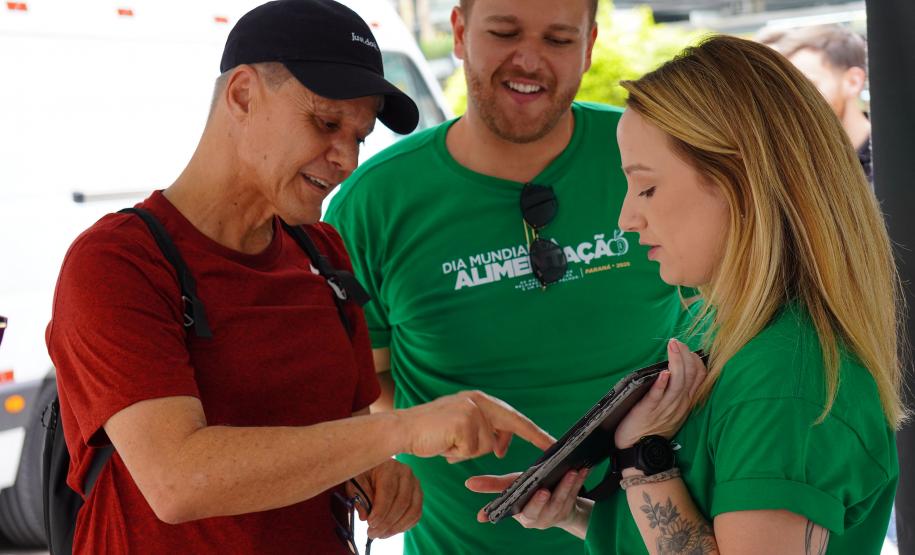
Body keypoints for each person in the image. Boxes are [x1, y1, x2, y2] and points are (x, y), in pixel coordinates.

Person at [45, 1, 555, 553]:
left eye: (359, 137)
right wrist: (401, 430)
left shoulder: (322, 251)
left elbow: (345, 437)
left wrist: (379, 473)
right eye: (327, 123)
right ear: (243, 95)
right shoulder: (118, 261)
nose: (347, 160)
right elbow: (176, 481)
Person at [469, 34, 903, 554]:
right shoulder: (751, 339)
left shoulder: (784, 378)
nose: (627, 218)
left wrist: (644, 458)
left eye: (647, 187)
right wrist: (579, 514)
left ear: (742, 182)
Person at [323, 0, 686, 553]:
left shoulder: (647, 157)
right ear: (460, 31)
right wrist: (421, 430)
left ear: (589, 46)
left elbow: (729, 331)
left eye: (558, 40)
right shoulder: (374, 202)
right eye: (504, 32)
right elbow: (362, 385)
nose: (529, 60)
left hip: (654, 537)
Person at [757, 25, 873, 182]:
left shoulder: (898, 158)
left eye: (808, 87)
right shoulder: (794, 169)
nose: (791, 101)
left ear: (853, 82)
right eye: (786, 90)